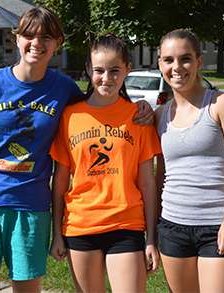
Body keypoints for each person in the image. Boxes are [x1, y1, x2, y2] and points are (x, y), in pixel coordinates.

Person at [0, 7, 154, 293]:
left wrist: (143, 107)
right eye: (29, 35)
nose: (37, 43)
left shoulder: (64, 88)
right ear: (16, 37)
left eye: (46, 37)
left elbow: (101, 102)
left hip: (31, 206)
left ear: (58, 43)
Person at [49, 33, 162, 293]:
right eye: (99, 70)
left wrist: (151, 238)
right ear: (88, 69)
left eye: (115, 70)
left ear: (127, 70)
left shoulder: (138, 117)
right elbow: (61, 181)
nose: (106, 78)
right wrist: (57, 231)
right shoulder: (70, 115)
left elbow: (147, 181)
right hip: (81, 225)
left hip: (126, 224)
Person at [154, 28, 224, 293]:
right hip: (173, 226)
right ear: (160, 64)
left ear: (199, 61)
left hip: (217, 225)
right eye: (169, 60)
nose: (177, 67)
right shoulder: (160, 115)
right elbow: (161, 173)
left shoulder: (221, 104)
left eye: (185, 58)